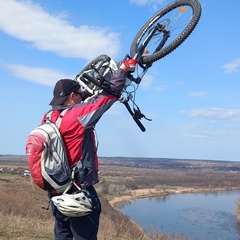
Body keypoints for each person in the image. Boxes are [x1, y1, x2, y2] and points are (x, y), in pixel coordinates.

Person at [42, 58, 137, 240]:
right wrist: (123, 70)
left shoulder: (49, 117)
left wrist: (83, 95)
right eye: (78, 93)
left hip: (57, 194)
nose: (81, 95)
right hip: (79, 194)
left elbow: (81, 101)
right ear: (72, 97)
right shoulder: (76, 117)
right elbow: (105, 99)